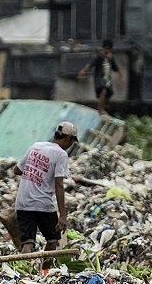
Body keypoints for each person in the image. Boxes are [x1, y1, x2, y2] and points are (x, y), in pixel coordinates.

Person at [14, 120, 78, 250]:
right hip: (42, 204)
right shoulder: (61, 154)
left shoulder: (36, 146)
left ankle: (26, 263)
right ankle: (46, 265)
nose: (70, 145)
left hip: (23, 203)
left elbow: (17, 170)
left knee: (28, 242)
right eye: (72, 142)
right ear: (68, 138)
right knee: (53, 240)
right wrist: (63, 215)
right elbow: (59, 185)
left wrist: (35, 172)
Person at [90, 39, 119, 116]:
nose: (107, 51)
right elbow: (91, 64)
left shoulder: (111, 58)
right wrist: (83, 71)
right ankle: (100, 109)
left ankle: (102, 107)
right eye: (106, 49)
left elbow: (116, 68)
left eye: (109, 49)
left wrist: (121, 76)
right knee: (103, 91)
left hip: (107, 78)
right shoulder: (99, 56)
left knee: (109, 93)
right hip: (99, 78)